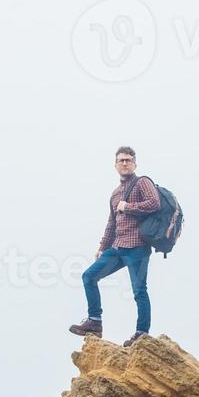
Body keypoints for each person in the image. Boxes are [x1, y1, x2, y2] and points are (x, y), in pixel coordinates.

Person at [69, 147, 159, 346]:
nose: (124, 163)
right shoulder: (115, 193)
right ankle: (95, 322)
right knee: (89, 276)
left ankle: (142, 334)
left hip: (138, 247)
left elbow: (154, 203)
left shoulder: (142, 182)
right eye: (121, 160)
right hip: (118, 248)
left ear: (135, 163)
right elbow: (112, 222)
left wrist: (129, 207)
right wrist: (102, 246)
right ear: (115, 165)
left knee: (139, 291)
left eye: (128, 160)